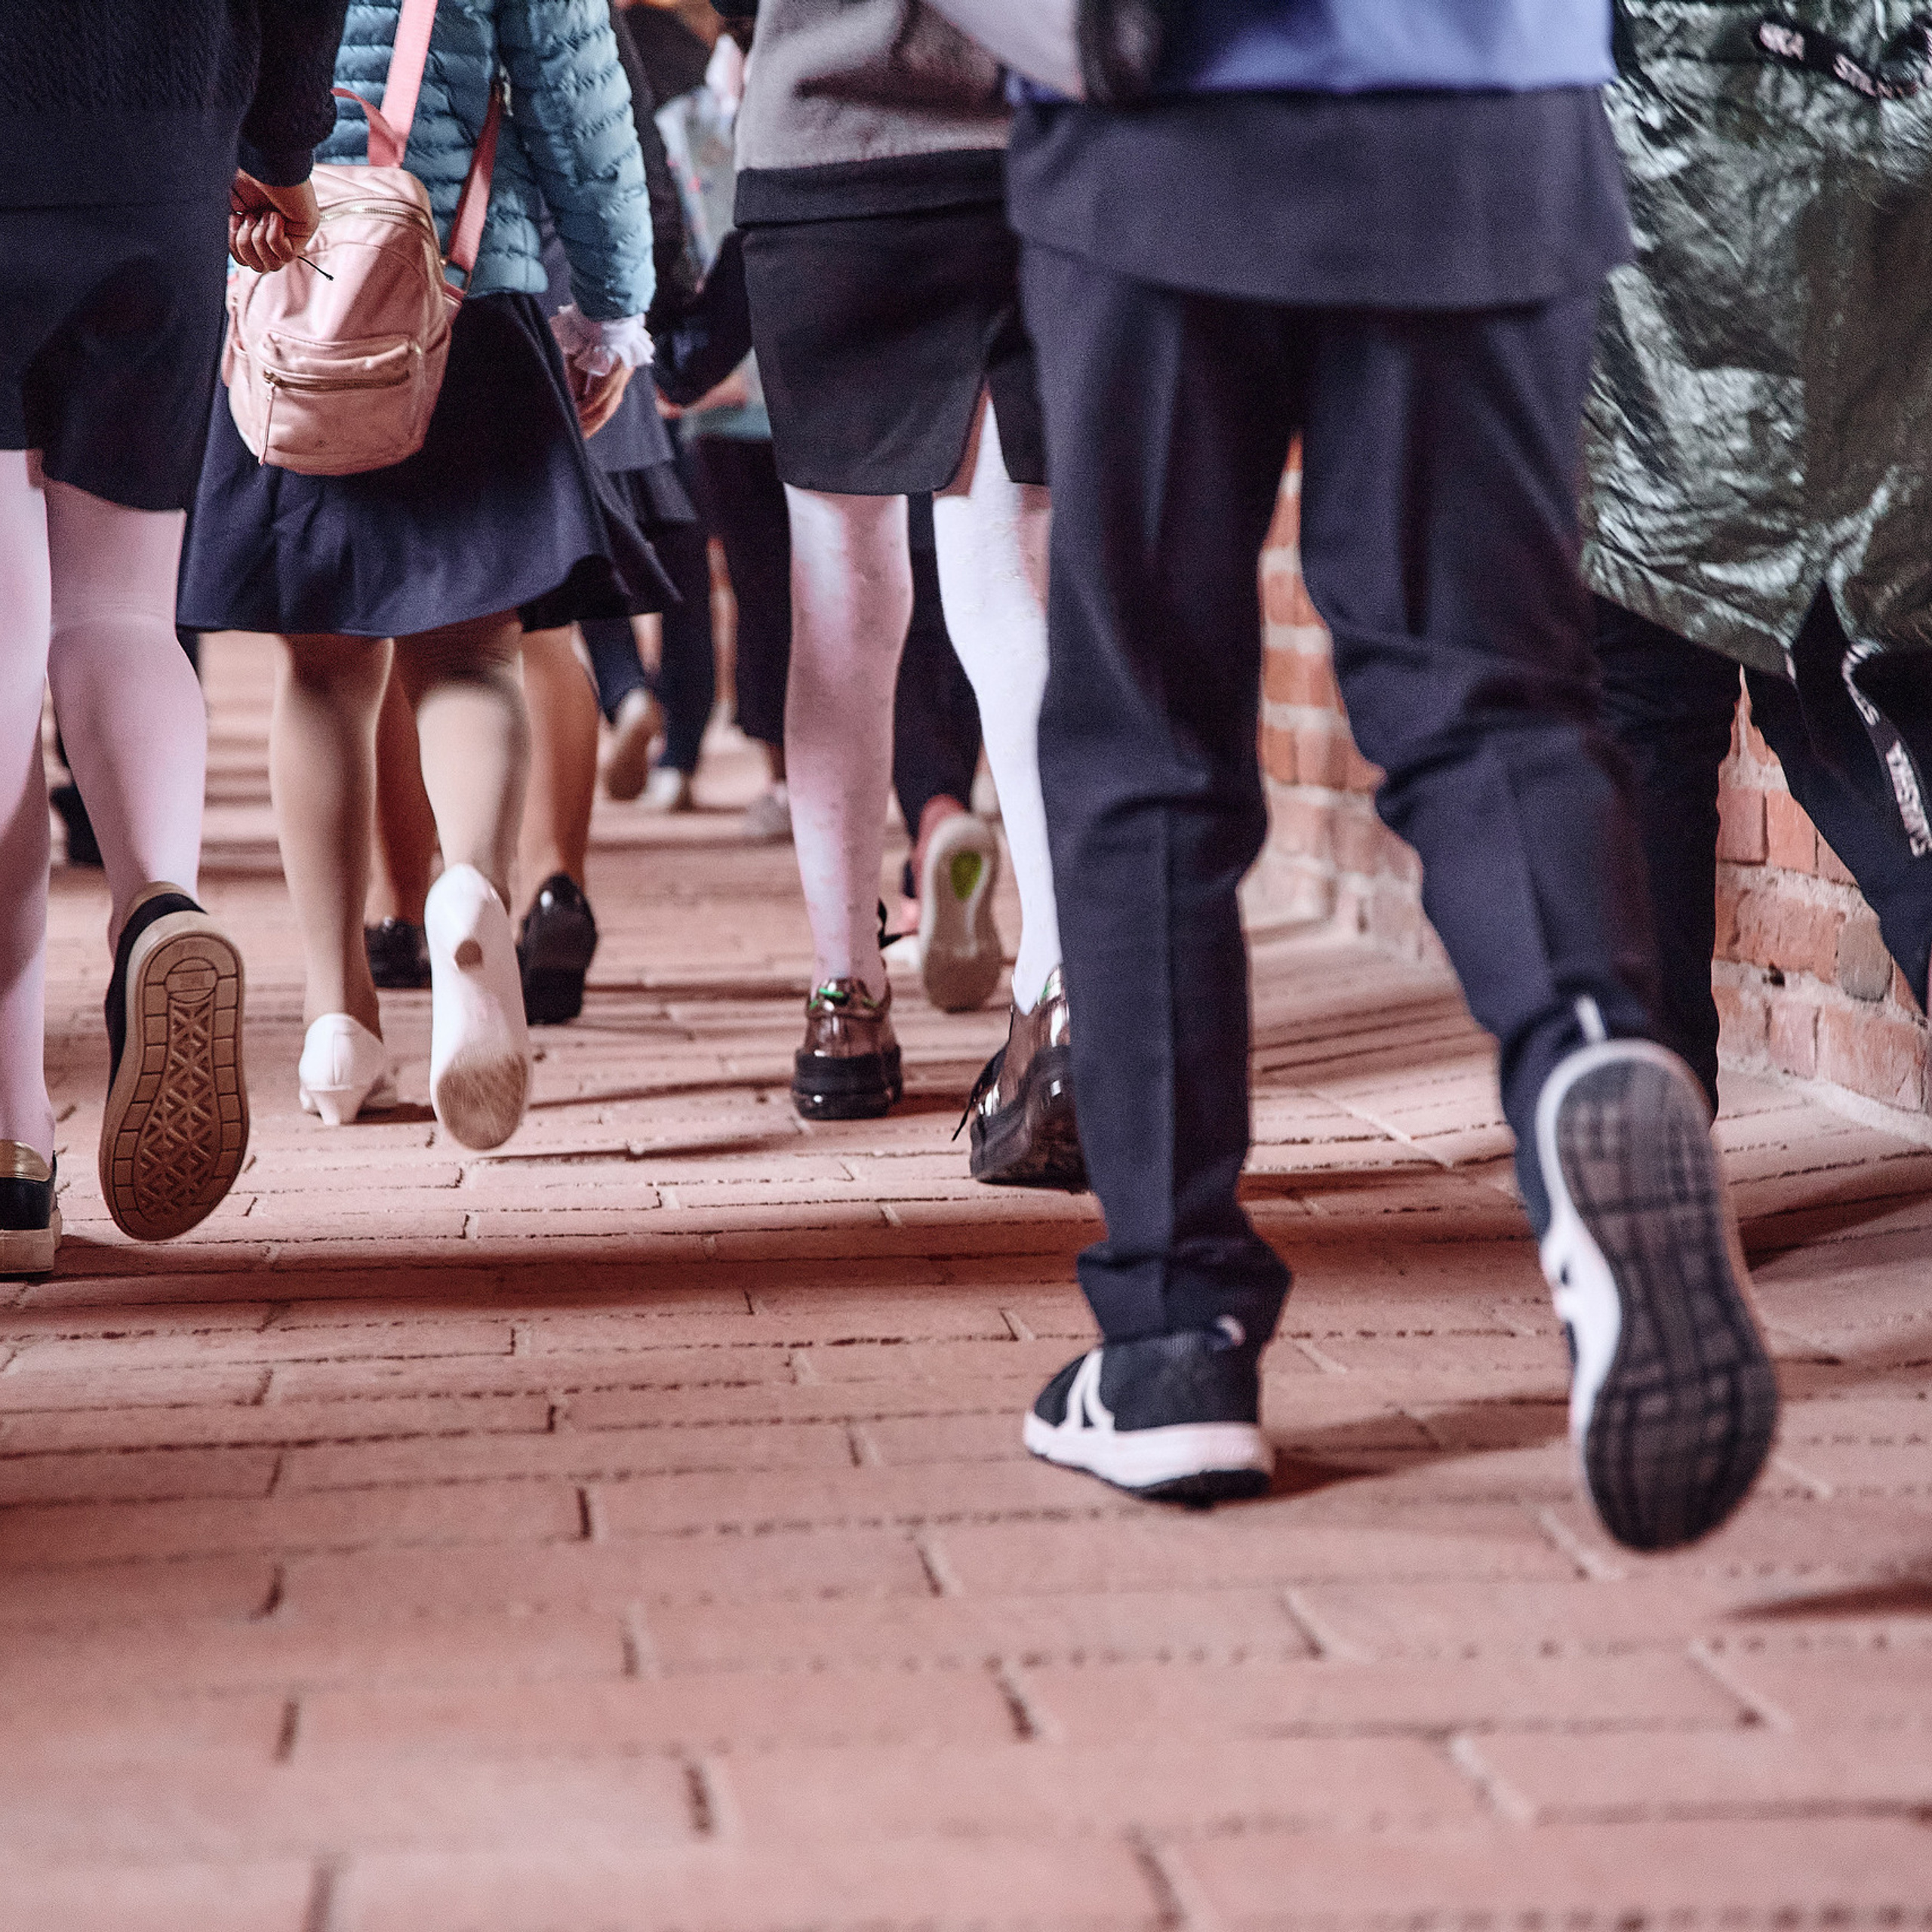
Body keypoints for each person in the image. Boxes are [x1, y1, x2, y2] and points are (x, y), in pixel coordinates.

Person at [934, 0, 1780, 1550]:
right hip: (1491, 116)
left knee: (1145, 739)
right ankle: (1587, 1050)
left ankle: (1172, 1330)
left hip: (1162, 114)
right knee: (1496, 696)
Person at [178, 0, 664, 1149]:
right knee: (475, 656)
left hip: (284, 299)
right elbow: (577, 92)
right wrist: (611, 305)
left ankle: (339, 1019)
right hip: (461, 288)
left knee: (323, 676)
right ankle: (470, 893)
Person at [1, 0, 346, 1273]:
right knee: (123, 614)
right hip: (164, 158)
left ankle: (10, 1146)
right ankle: (156, 903)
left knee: (3, 628)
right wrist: (283, 143)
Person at [726, 0, 1081, 1187]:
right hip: (1005, 157)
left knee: (840, 599)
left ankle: (846, 1005)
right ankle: (1057, 992)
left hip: (821, 166)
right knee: (1002, 592)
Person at [1584, 0, 1932, 1112]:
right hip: (1858, 252)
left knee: (1636, 725)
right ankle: (1650, 1132)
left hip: (1640, 277)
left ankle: (1653, 1134)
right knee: (1863, 699)